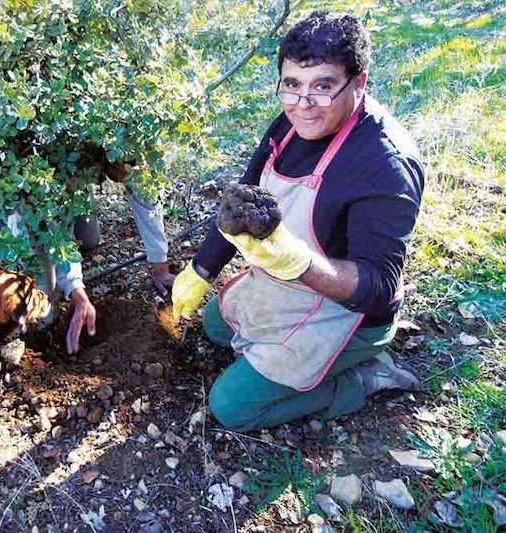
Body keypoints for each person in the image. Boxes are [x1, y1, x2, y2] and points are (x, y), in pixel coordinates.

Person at [171, 11, 425, 432]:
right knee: (215, 326)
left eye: (323, 87)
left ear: (358, 83)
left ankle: (362, 378)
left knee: (232, 406)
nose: (303, 106)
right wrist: (201, 269)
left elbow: (378, 290)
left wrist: (300, 263)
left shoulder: (385, 166)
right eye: (292, 86)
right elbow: (243, 195)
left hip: (348, 313)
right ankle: (285, 363)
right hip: (285, 284)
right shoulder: (290, 126)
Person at [49, 154, 176, 354]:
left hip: (81, 172)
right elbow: (58, 235)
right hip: (44, 188)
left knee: (89, 241)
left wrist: (160, 264)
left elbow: (147, 200)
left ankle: (81, 192)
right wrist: (76, 290)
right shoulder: (61, 162)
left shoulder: (133, 148)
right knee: (48, 279)